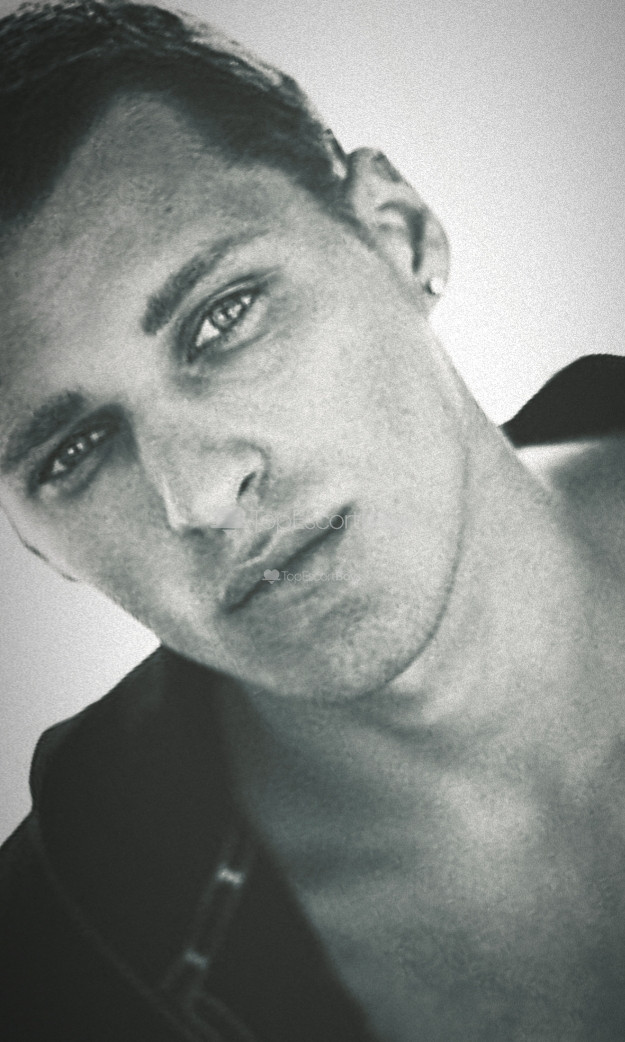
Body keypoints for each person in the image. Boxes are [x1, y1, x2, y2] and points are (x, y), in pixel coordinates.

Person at [1, 1, 624, 1039]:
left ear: (397, 233)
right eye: (71, 452)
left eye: (222, 316)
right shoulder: (42, 981)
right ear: (32, 537)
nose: (198, 495)